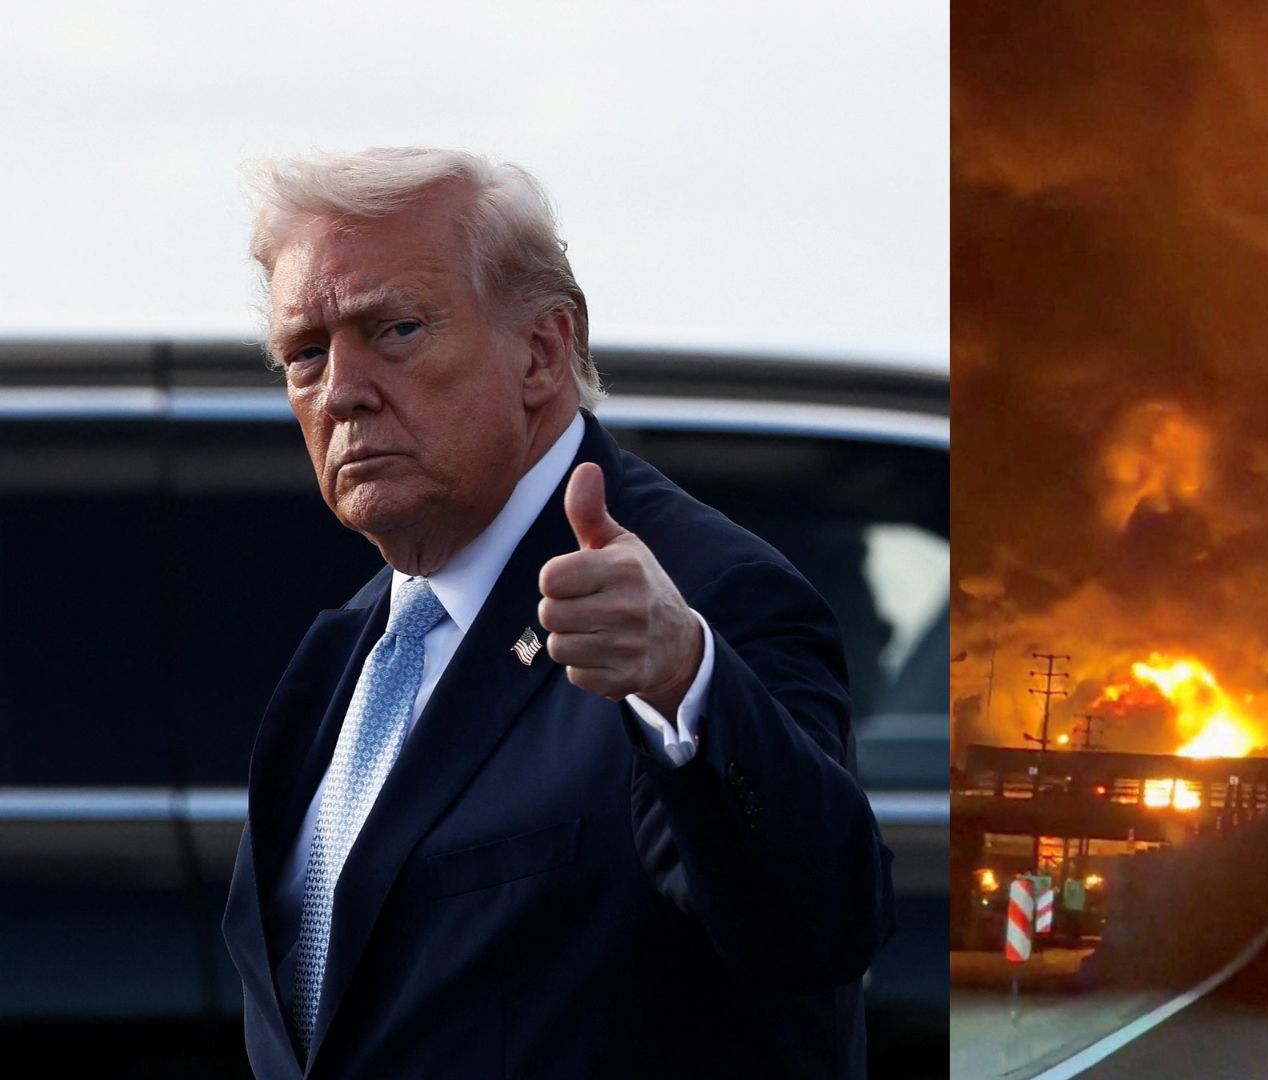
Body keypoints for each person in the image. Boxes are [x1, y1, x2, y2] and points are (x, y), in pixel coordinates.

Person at [220, 147, 894, 1079]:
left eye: (398, 330)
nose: (341, 391)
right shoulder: (341, 654)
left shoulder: (704, 598)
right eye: (305, 354)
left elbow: (819, 928)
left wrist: (686, 679)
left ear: (541, 352)